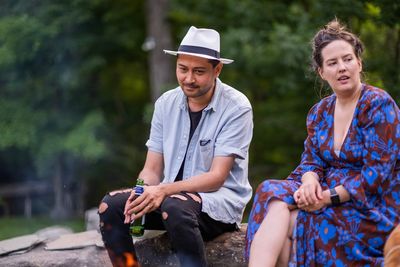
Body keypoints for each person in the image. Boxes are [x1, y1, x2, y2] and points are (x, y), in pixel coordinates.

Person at [245, 19, 400, 266]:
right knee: (269, 193)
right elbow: (311, 161)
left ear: (359, 63)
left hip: (372, 204)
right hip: (324, 191)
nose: (342, 67)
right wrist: (309, 183)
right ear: (322, 72)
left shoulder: (378, 104)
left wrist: (326, 198)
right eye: (332, 63)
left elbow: (376, 176)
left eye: (348, 59)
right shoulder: (320, 112)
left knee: (293, 221)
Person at [98, 26, 253, 267]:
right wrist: (141, 193)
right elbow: (151, 170)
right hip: (169, 201)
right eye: (183, 69)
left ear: (217, 69)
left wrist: (163, 190)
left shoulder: (237, 107)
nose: (189, 78)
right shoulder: (165, 104)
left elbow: (217, 177)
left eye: (199, 71)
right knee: (111, 205)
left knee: (175, 206)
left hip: (216, 206)